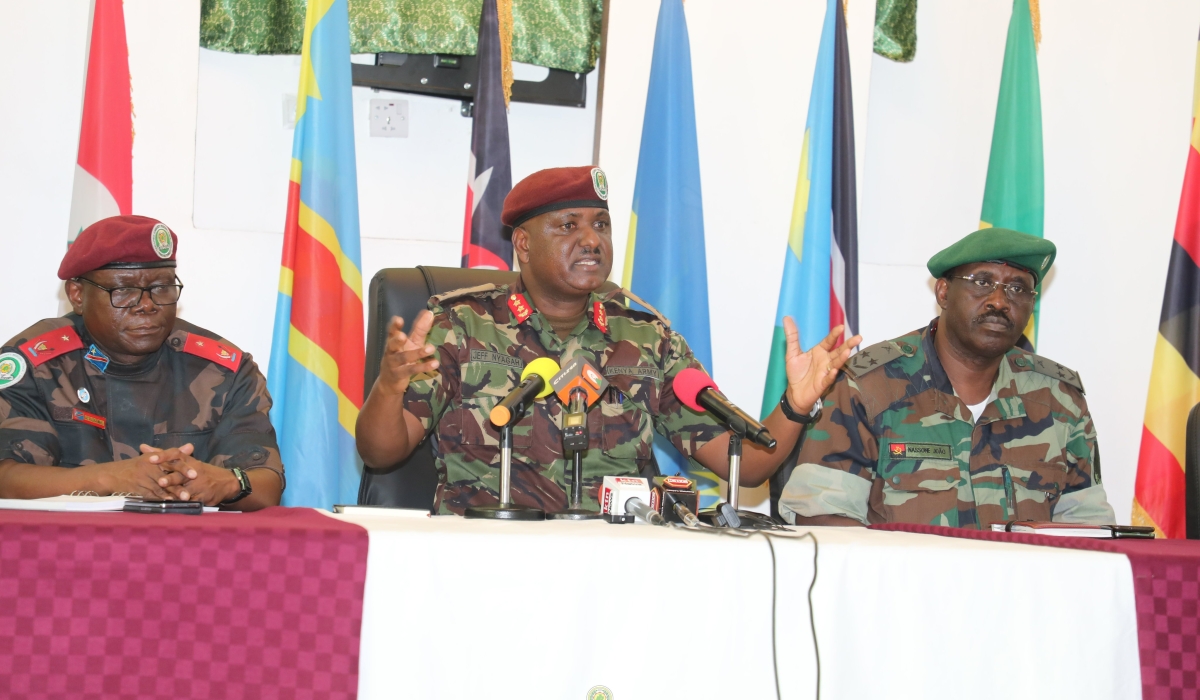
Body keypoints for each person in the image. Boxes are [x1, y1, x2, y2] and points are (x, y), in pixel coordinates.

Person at [356, 165, 861, 514]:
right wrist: (388, 387)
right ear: (524, 245)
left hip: (619, 566)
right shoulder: (459, 324)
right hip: (488, 560)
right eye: (568, 226)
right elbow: (382, 453)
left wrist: (795, 404)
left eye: (601, 224)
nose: (592, 239)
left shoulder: (645, 338)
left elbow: (746, 467)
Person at [778, 227, 1115, 529]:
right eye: (982, 283)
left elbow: (1089, 530)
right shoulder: (869, 385)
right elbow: (820, 516)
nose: (999, 301)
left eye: (1017, 289)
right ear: (943, 293)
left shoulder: (1059, 399)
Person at [0, 215, 284, 510]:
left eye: (161, 288)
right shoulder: (36, 365)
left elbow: (266, 486)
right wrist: (107, 479)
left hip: (186, 548)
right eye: (123, 290)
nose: (147, 305)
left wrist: (224, 483)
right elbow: (6, 476)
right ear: (77, 295)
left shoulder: (224, 370)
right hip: (70, 548)